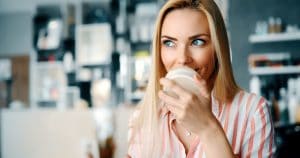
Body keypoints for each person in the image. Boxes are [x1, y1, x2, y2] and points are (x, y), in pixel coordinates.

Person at [127, 0, 276, 157]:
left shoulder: (252, 112)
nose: (183, 58)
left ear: (217, 48)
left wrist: (207, 128)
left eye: (197, 42)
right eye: (169, 43)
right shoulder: (142, 118)